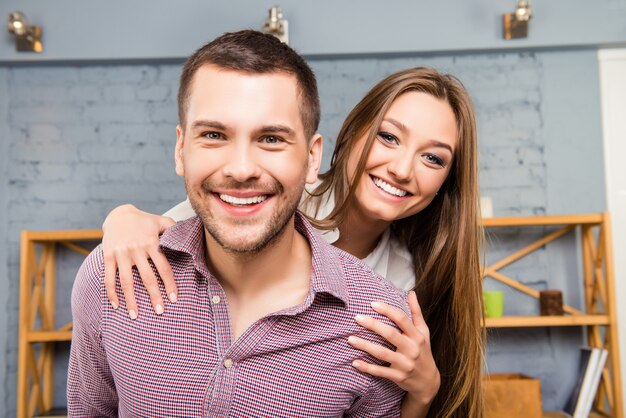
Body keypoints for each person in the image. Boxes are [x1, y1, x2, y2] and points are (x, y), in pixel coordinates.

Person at [101, 68, 484, 417]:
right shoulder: (277, 194)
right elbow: (178, 224)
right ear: (352, 132)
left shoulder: (404, 284)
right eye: (388, 137)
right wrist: (121, 218)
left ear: (445, 184)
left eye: (432, 158)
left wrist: (423, 391)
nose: (402, 169)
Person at [67, 30, 412, 417]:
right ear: (181, 150)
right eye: (214, 135)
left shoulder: (377, 324)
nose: (242, 169)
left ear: (312, 159)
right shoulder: (109, 277)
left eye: (270, 139)